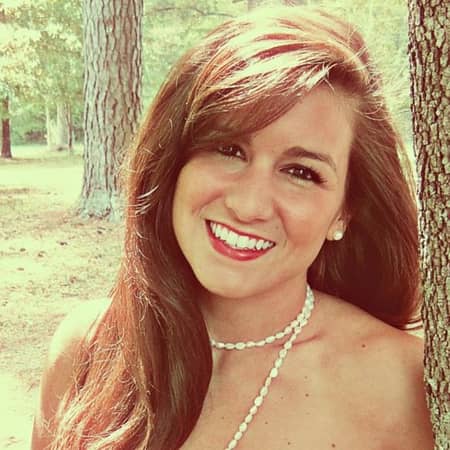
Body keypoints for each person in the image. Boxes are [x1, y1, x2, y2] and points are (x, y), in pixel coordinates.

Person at [32, 5, 434, 450]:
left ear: (344, 213)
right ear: (174, 162)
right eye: (228, 149)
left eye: (301, 172)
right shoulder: (88, 348)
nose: (248, 205)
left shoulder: (403, 385)